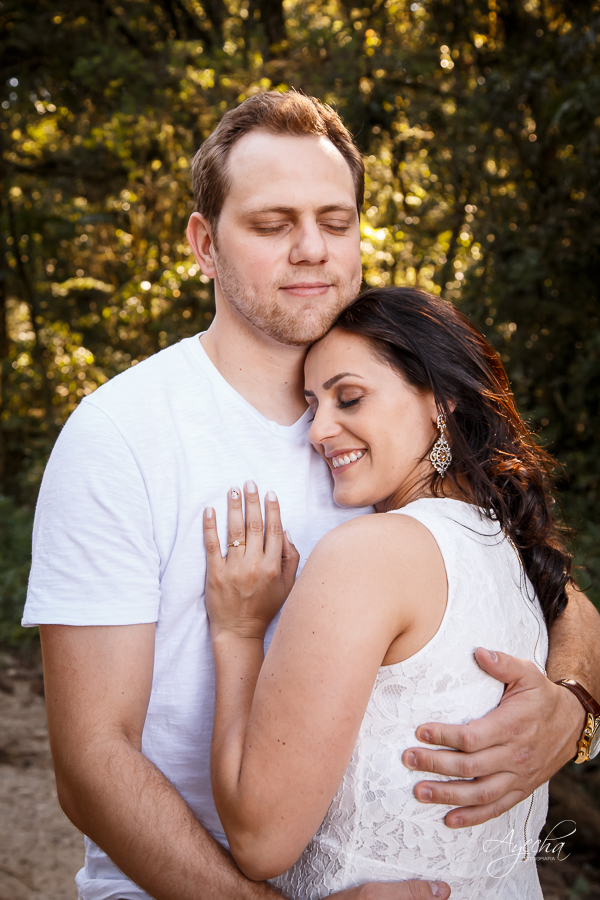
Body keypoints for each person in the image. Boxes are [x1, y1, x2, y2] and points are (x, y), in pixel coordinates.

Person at [23, 91, 600, 900]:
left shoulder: (386, 405)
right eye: (271, 225)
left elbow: (544, 583)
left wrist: (574, 707)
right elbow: (92, 765)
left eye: (336, 222)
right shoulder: (122, 433)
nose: (311, 250)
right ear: (203, 245)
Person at [202, 285, 571, 898]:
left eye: (349, 398)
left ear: (442, 403)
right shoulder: (508, 549)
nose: (319, 430)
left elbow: (260, 840)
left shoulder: (371, 554)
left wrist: (237, 633)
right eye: (311, 404)